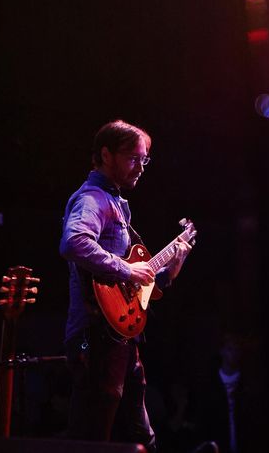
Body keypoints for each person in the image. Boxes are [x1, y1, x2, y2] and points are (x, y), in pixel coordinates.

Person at [59, 119, 192, 452]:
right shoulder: (93, 198)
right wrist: (126, 270)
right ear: (106, 155)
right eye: (134, 158)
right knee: (91, 436)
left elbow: (139, 284)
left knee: (140, 434)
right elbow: (73, 242)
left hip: (120, 338)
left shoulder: (117, 205)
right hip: (96, 336)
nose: (140, 168)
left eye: (144, 160)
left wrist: (172, 265)